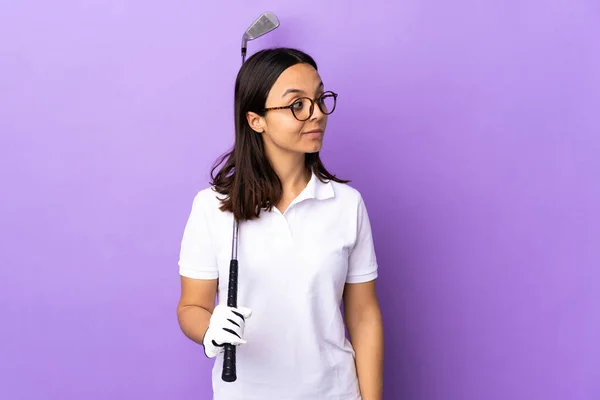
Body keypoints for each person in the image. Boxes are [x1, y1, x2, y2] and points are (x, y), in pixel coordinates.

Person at [176, 47, 384, 400]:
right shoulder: (212, 207)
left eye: (319, 100)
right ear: (256, 119)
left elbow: (364, 315)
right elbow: (190, 307)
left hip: (334, 392)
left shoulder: (347, 205)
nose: (316, 114)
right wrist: (209, 328)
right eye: (297, 105)